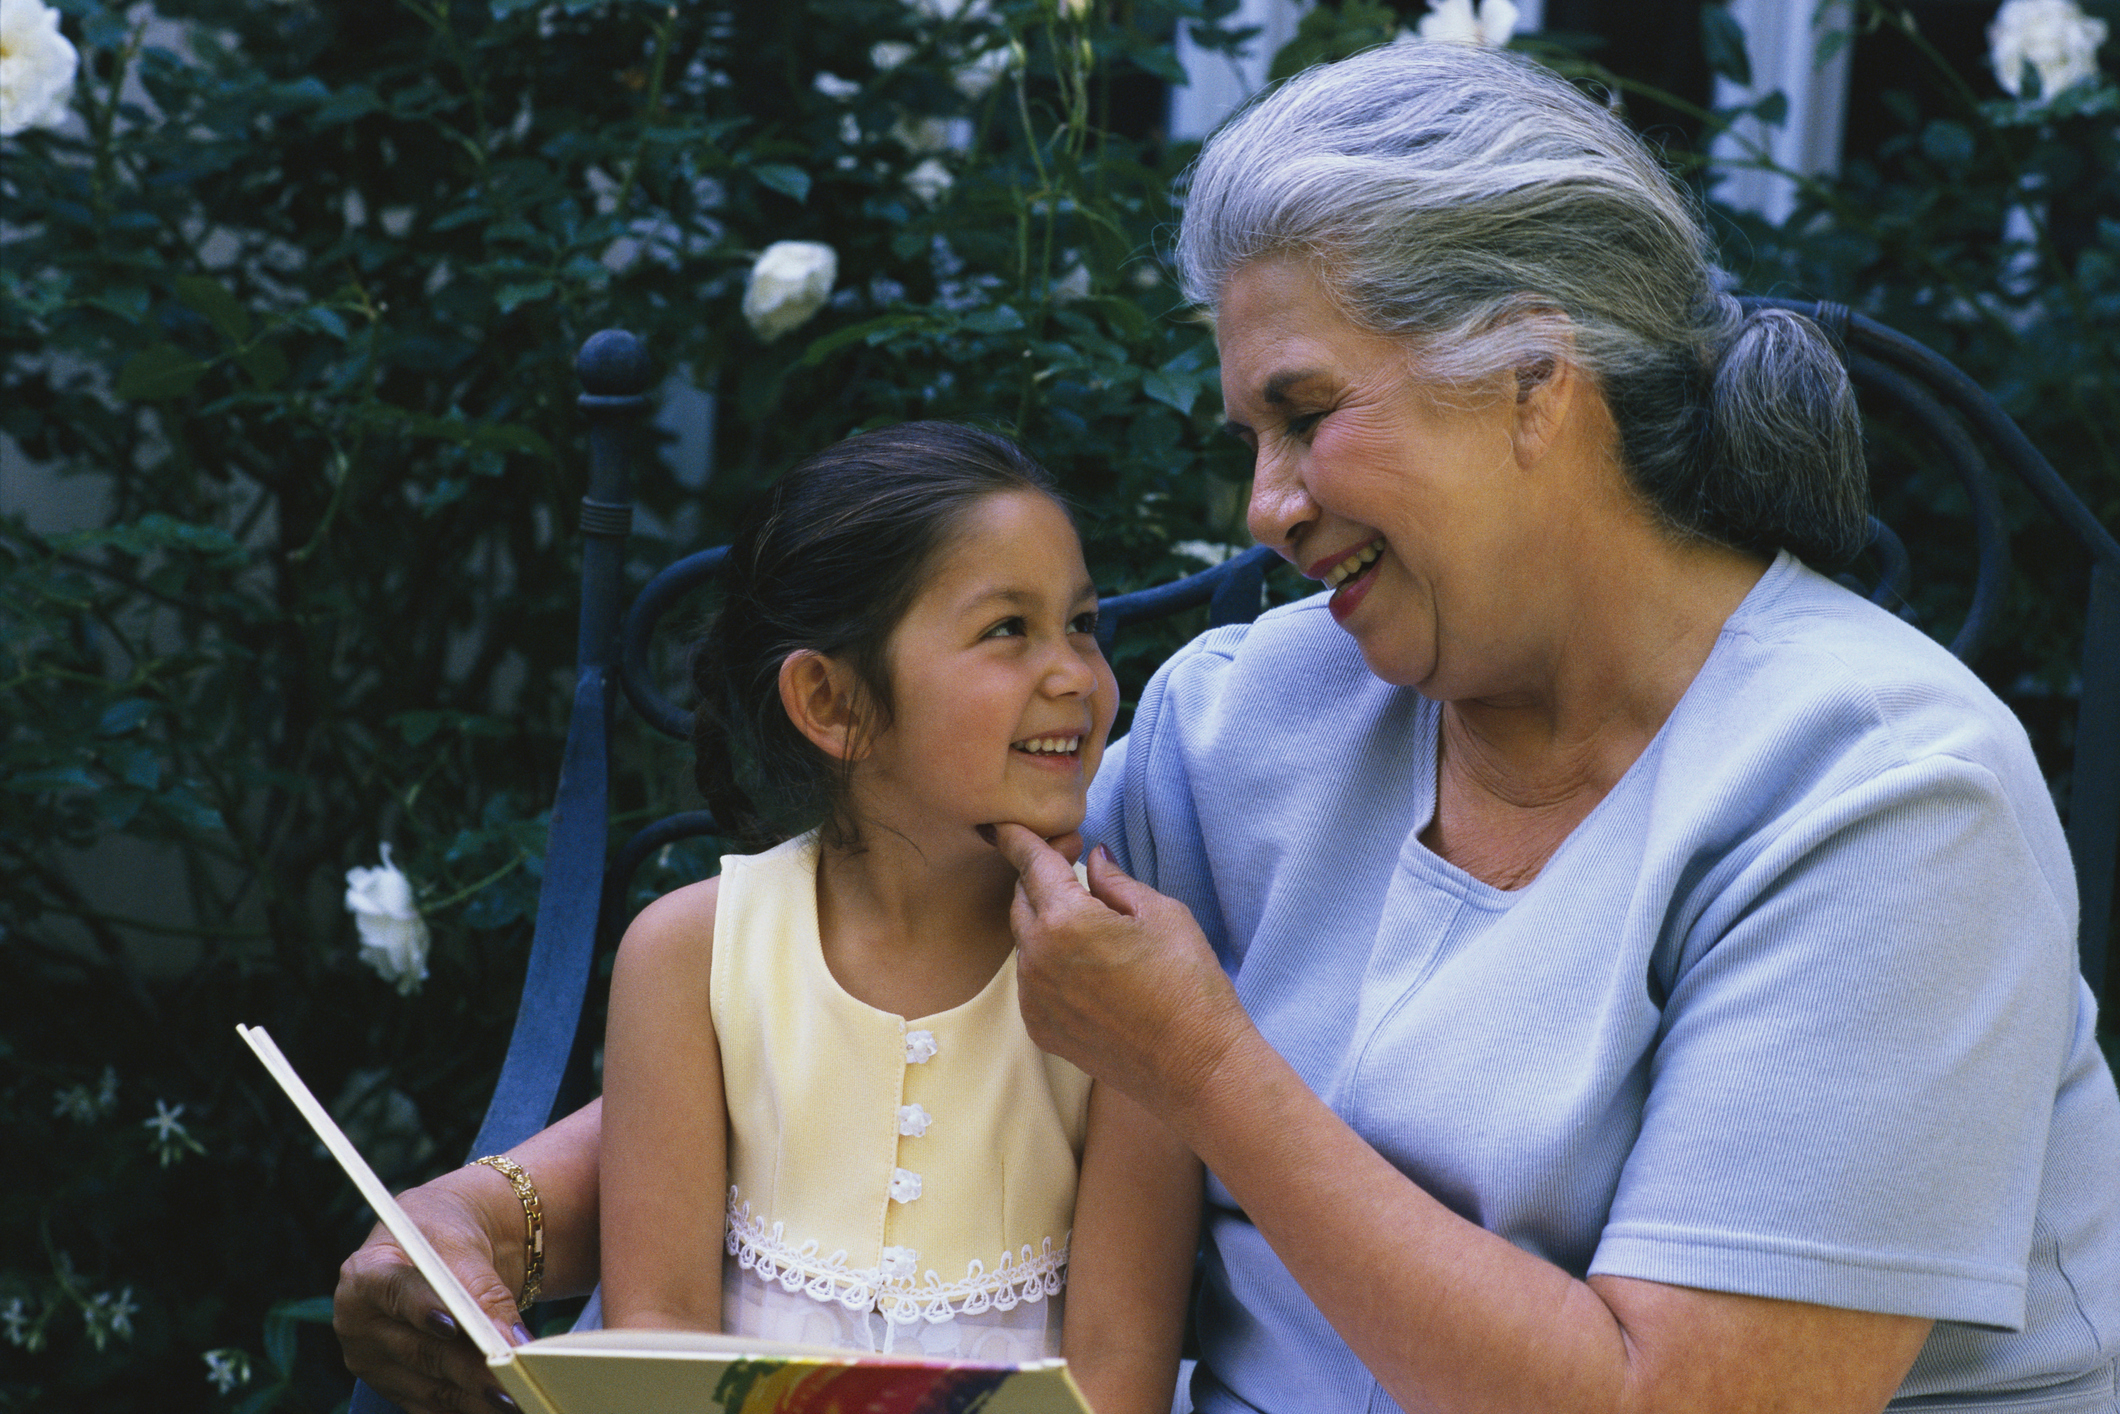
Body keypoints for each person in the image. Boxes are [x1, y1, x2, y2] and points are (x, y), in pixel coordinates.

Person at [336, 42, 2120, 1414]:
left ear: (1533, 387)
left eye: (1304, 413)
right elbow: (925, 958)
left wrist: (1207, 1071)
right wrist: (508, 1208)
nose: (1263, 505)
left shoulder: (1884, 794)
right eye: (1247, 435)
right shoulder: (1265, 709)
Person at [337, 423, 1199, 1413]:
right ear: (831, 702)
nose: (1074, 675)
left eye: (1082, 623)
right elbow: (655, 1326)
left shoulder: (1122, 983)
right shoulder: (691, 954)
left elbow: (1118, 1380)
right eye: (1008, 628)